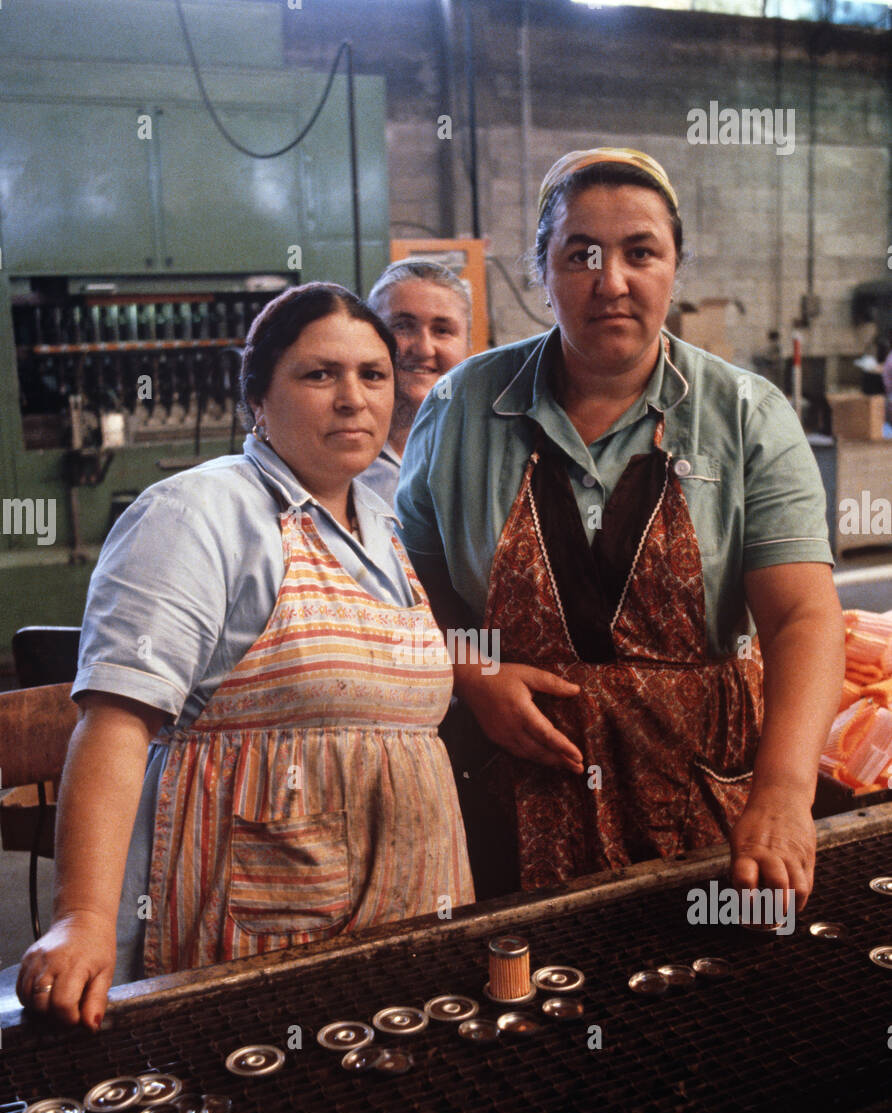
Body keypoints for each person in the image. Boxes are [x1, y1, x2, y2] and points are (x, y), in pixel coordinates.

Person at [396, 148, 845, 911]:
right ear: (543, 270)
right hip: (509, 794)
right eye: (581, 255)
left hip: (703, 799)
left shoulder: (743, 413)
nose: (612, 281)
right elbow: (408, 596)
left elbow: (802, 616)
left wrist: (784, 792)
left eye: (641, 252)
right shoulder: (462, 407)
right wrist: (474, 675)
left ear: (675, 267)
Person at [17, 283, 474, 1029]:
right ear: (256, 398)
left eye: (372, 375)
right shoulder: (198, 513)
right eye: (318, 374)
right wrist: (84, 917)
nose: (353, 398)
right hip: (260, 921)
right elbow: (115, 725)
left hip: (409, 900)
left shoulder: (385, 521)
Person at [360, 259, 472, 504]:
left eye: (442, 330)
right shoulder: (333, 455)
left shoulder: (489, 451)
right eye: (402, 326)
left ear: (468, 345)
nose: (424, 349)